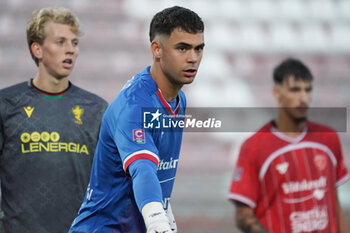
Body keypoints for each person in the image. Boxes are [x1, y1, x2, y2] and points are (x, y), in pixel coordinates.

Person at [68, 6, 205, 233]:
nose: (193, 58)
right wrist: (157, 222)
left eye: (198, 48)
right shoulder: (134, 105)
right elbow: (142, 169)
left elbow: (156, 170)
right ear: (157, 49)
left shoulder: (177, 99)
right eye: (183, 48)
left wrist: (166, 214)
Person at [0, 7, 108, 233]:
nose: (71, 50)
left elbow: (108, 182)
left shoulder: (96, 109)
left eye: (74, 43)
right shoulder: (6, 104)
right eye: (60, 42)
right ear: (37, 49)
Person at [228, 58, 349, 233]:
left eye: (308, 90)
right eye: (295, 89)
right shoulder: (254, 146)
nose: (303, 97)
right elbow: (243, 215)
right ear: (277, 92)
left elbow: (334, 201)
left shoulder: (328, 138)